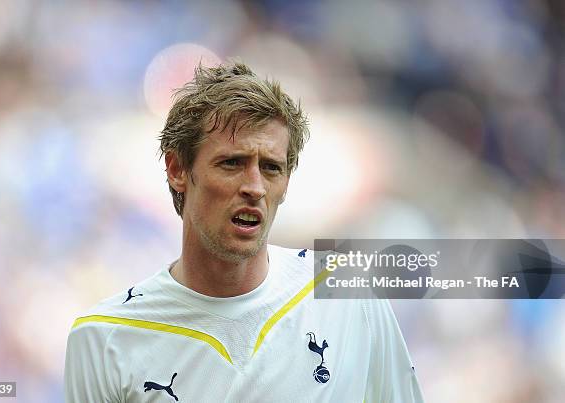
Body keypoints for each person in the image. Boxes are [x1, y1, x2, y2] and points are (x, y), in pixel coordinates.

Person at [64, 62, 424, 402]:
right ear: (177, 170)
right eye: (232, 163)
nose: (254, 187)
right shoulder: (103, 338)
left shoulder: (349, 295)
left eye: (271, 168)